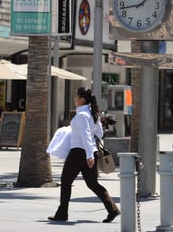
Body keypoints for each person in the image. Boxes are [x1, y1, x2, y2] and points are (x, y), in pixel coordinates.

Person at [48, 87, 120, 223]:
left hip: (79, 152)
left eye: (76, 96)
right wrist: (91, 153)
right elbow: (99, 134)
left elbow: (86, 135)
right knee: (92, 183)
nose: (74, 99)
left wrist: (89, 156)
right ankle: (112, 209)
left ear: (82, 99)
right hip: (89, 151)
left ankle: (62, 212)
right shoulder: (93, 114)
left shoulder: (82, 115)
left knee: (66, 180)